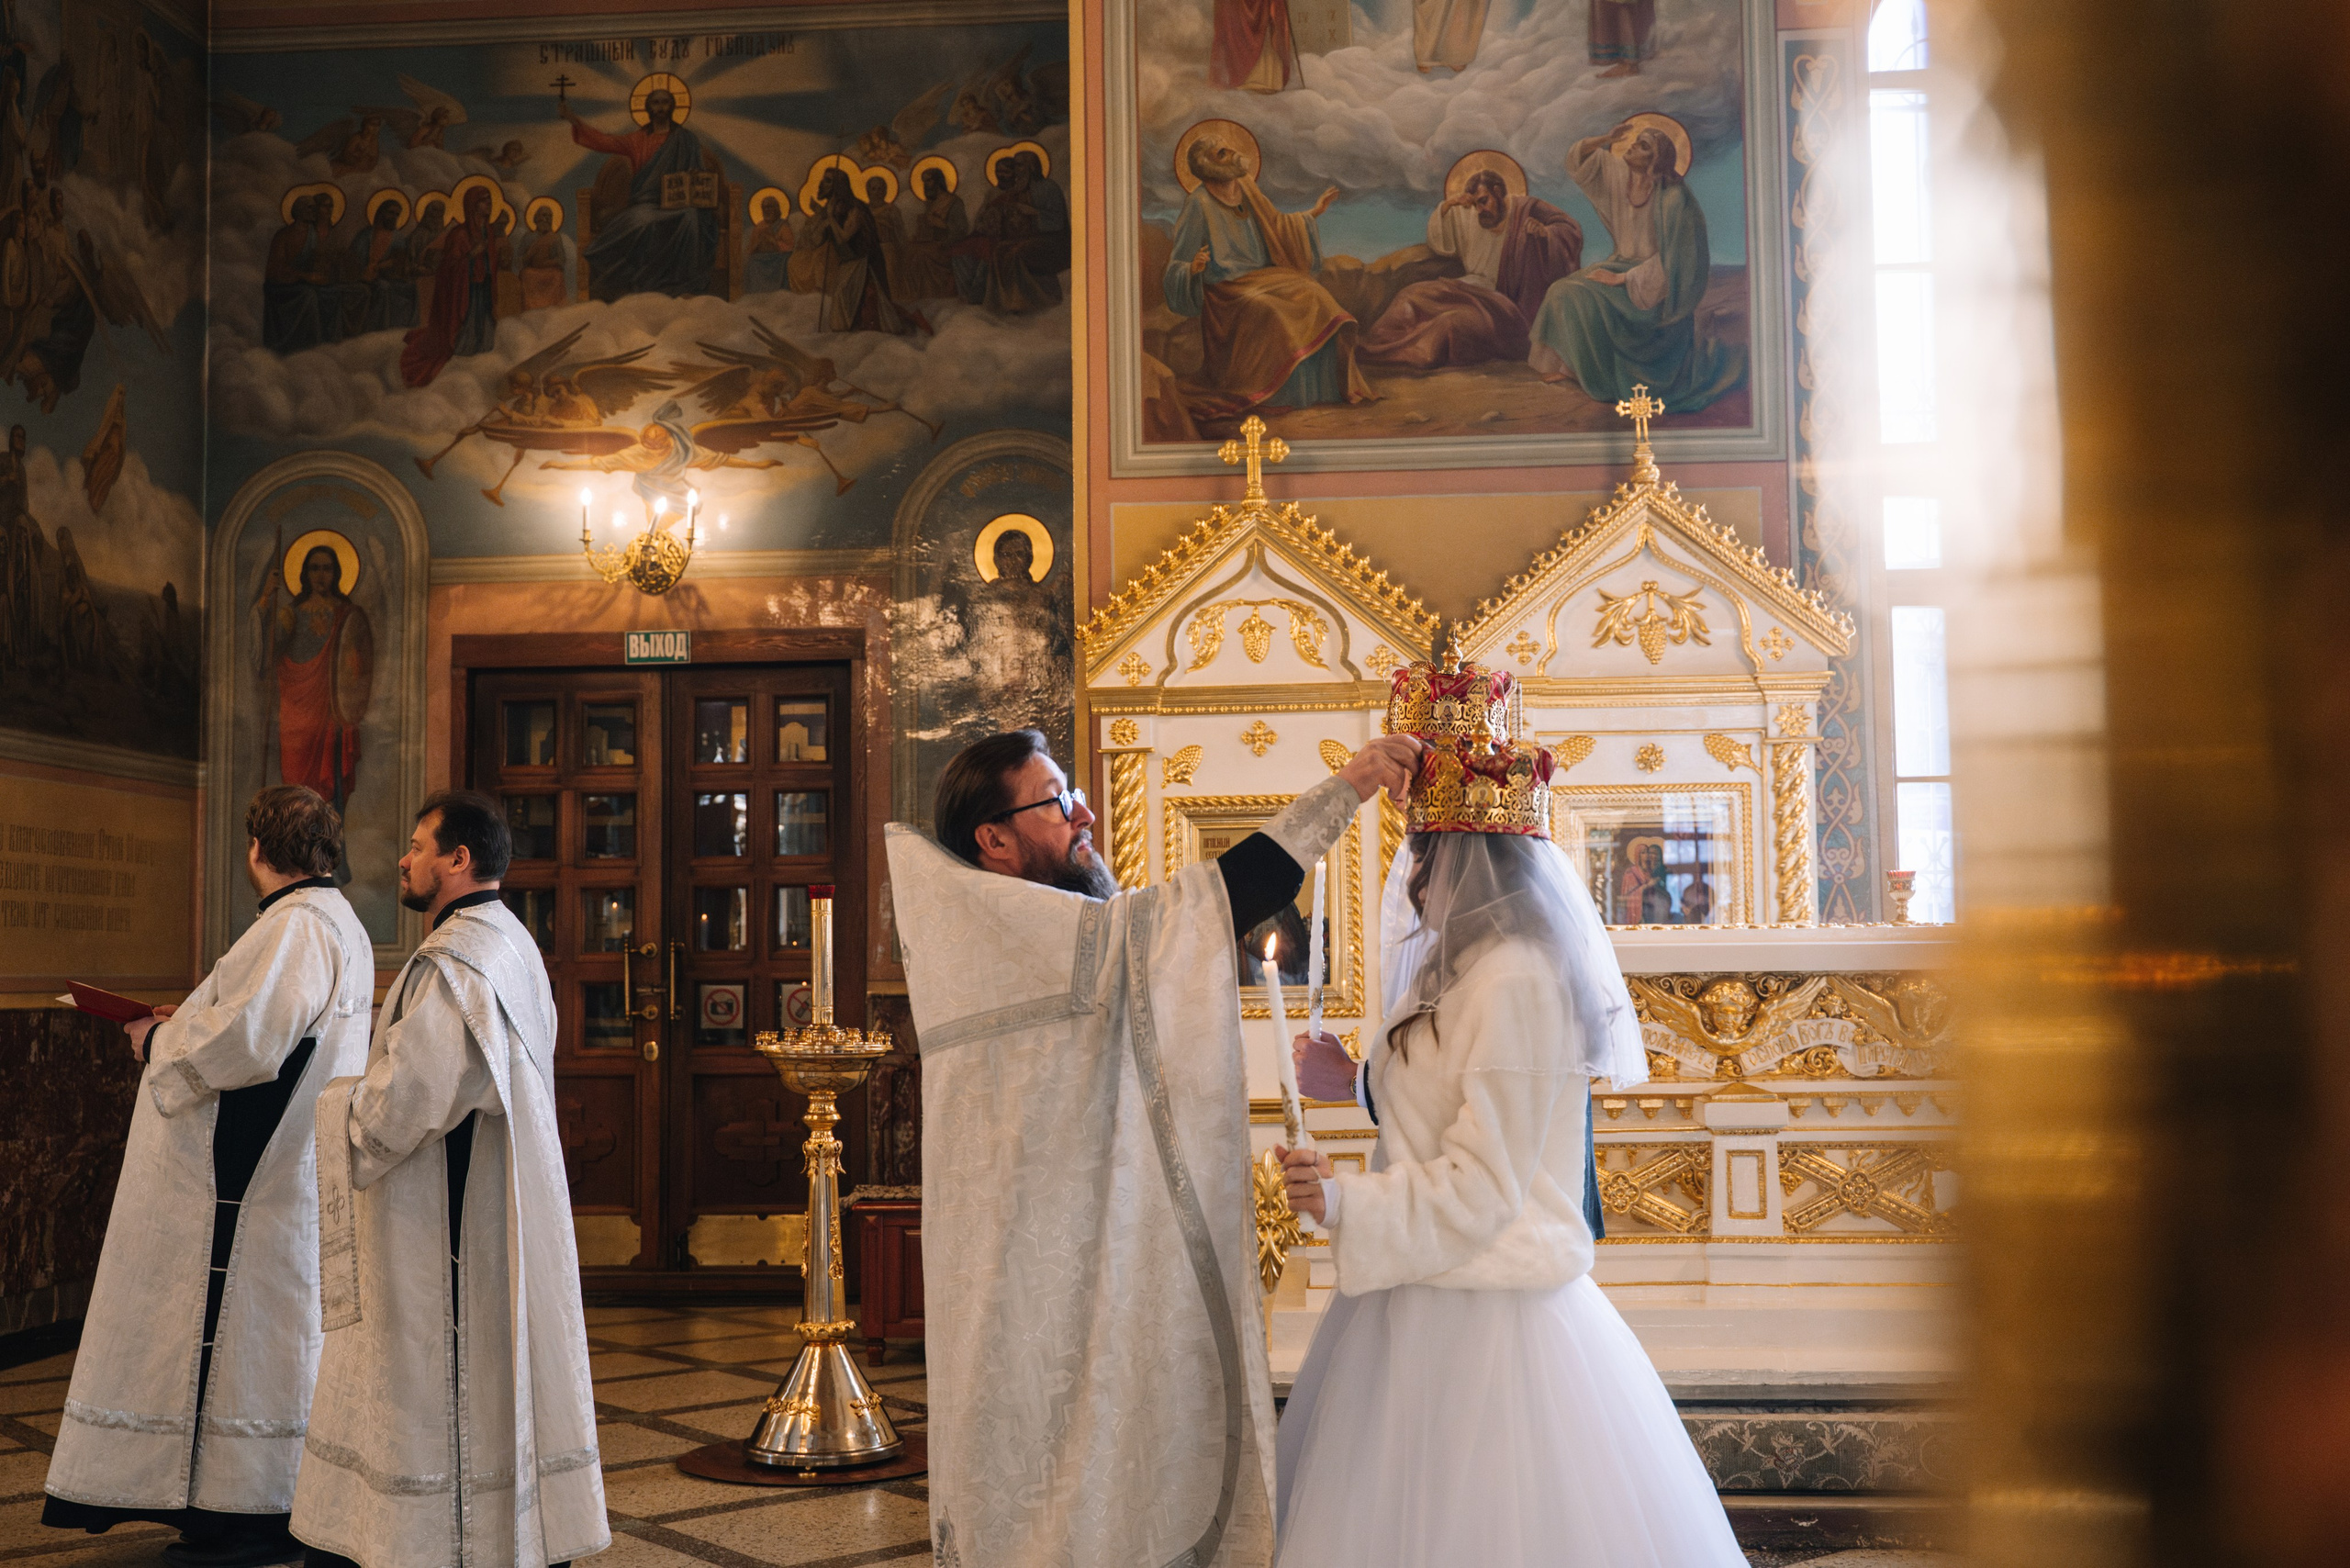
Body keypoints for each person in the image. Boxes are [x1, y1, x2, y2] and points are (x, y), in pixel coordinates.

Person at [884, 726, 1422, 1568]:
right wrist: (1347, 788)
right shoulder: (1002, 924)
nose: (1084, 812)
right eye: (1058, 801)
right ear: (993, 838)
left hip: (1063, 1246)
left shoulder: (1033, 919)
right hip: (1028, 1262)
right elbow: (1202, 908)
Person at [1272, 658, 1744, 1568]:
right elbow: (1458, 1097)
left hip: (1491, 1318)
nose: (1413, 882)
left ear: (1468, 858)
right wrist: (1361, 1082)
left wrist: (1342, 1204)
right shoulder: (1469, 966)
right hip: (1421, 1296)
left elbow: (1488, 1180)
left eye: (1426, 857)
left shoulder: (1516, 975)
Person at [41, 786, 374, 1568]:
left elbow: (253, 1043)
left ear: (258, 850)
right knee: (258, 1334)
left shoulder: (295, 927)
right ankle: (232, 1505)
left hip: (251, 1180)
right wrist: (183, 1021)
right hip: (280, 1170)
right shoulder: (335, 923)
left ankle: (246, 1512)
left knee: (244, 1335)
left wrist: (158, 1041)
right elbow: (260, 1027)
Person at [293, 792, 608, 1568]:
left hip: (451, 1217)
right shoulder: (512, 945)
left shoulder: (456, 964)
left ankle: (444, 1543)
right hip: (488, 1198)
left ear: (457, 861)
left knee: (447, 1373)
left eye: (416, 844)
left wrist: (337, 1108)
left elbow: (411, 1097)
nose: (403, 859)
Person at [1528, 122, 1746, 410]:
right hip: (1622, 267)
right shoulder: (1620, 178)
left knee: (1577, 293)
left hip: (1654, 288)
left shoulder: (1673, 199)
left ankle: (1599, 376)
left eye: (1643, 145)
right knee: (1562, 290)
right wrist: (1604, 138)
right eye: (1635, 142)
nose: (1631, 147)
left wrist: (1622, 280)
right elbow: (1576, 162)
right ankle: (1575, 366)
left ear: (1656, 160)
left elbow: (1677, 261)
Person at [1162, 136, 1373, 419]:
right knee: (1271, 311)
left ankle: (1321, 390)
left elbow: (1276, 224)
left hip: (1265, 276)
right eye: (1224, 152)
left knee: (1314, 293)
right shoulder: (1199, 203)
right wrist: (1192, 269)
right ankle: (1275, 395)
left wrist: (1313, 214)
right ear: (1209, 165)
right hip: (1228, 289)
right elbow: (1178, 261)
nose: (1236, 153)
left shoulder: (1246, 188)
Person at [1362, 169, 1583, 368]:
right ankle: (1368, 346)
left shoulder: (1527, 209)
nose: (1479, 209)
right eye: (1476, 204)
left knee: (1448, 324)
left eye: (1484, 201)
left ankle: (1384, 355)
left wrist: (1545, 233)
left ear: (1498, 192)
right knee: (1409, 295)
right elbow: (1440, 241)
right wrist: (1449, 205)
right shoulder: (1472, 218)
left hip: (1506, 310)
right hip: (1468, 289)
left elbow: (1570, 229)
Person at [562, 85, 719, 302]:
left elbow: (699, 175)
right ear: (647, 108)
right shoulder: (637, 140)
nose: (661, 107)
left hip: (679, 204)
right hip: (647, 203)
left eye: (665, 102)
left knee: (692, 218)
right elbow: (605, 141)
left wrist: (693, 174)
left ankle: (685, 285)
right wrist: (573, 119)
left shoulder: (686, 139)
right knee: (640, 220)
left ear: (673, 106)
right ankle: (645, 286)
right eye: (656, 102)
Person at [255, 542, 374, 817]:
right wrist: (264, 599)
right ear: (305, 574)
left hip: (332, 709)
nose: (321, 575)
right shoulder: (291, 613)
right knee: (296, 787)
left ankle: (333, 854)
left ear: (337, 573)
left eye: (327, 569)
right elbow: (268, 651)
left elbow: (359, 658)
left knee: (331, 783)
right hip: (298, 706)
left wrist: (349, 673)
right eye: (315, 568)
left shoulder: (346, 612)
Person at [398, 183, 497, 386]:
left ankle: (481, 352)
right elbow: (448, 267)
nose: (489, 204)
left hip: (483, 286)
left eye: (489, 200)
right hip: (465, 290)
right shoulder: (459, 234)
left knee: (484, 329)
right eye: (484, 201)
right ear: (472, 205)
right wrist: (471, 255)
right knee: (465, 332)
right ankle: (463, 353)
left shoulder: (487, 231)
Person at [894, 166, 964, 300]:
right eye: (924, 181)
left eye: (929, 180)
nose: (926, 184)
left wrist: (942, 225)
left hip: (947, 245)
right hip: (930, 244)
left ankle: (930, 296)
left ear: (938, 181)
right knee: (908, 251)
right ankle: (913, 297)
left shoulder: (953, 202)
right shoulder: (930, 204)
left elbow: (961, 229)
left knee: (920, 255)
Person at [742, 192, 790, 293]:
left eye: (770, 207)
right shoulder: (759, 226)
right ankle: (755, 294)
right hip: (760, 258)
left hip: (778, 260)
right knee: (752, 262)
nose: (767, 210)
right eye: (764, 208)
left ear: (776, 209)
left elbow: (789, 247)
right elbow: (751, 248)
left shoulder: (783, 226)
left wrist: (772, 240)